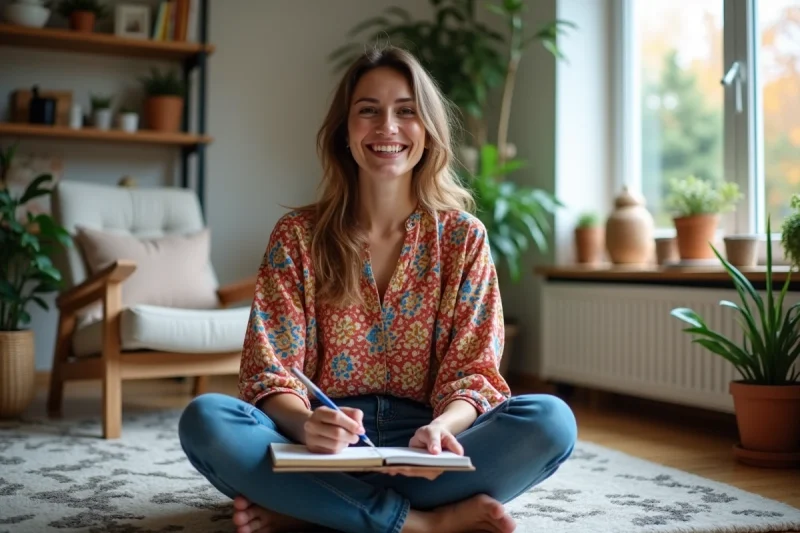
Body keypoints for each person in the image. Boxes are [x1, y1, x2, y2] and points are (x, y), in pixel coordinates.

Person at [178, 45, 577, 533]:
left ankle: (312, 511)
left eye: (406, 111)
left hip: (425, 452)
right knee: (207, 420)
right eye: (368, 110)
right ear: (344, 131)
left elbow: (475, 371)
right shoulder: (297, 236)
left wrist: (441, 429)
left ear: (427, 130)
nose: (387, 126)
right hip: (321, 449)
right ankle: (425, 524)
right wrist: (307, 427)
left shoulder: (462, 237)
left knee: (551, 422)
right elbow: (270, 372)